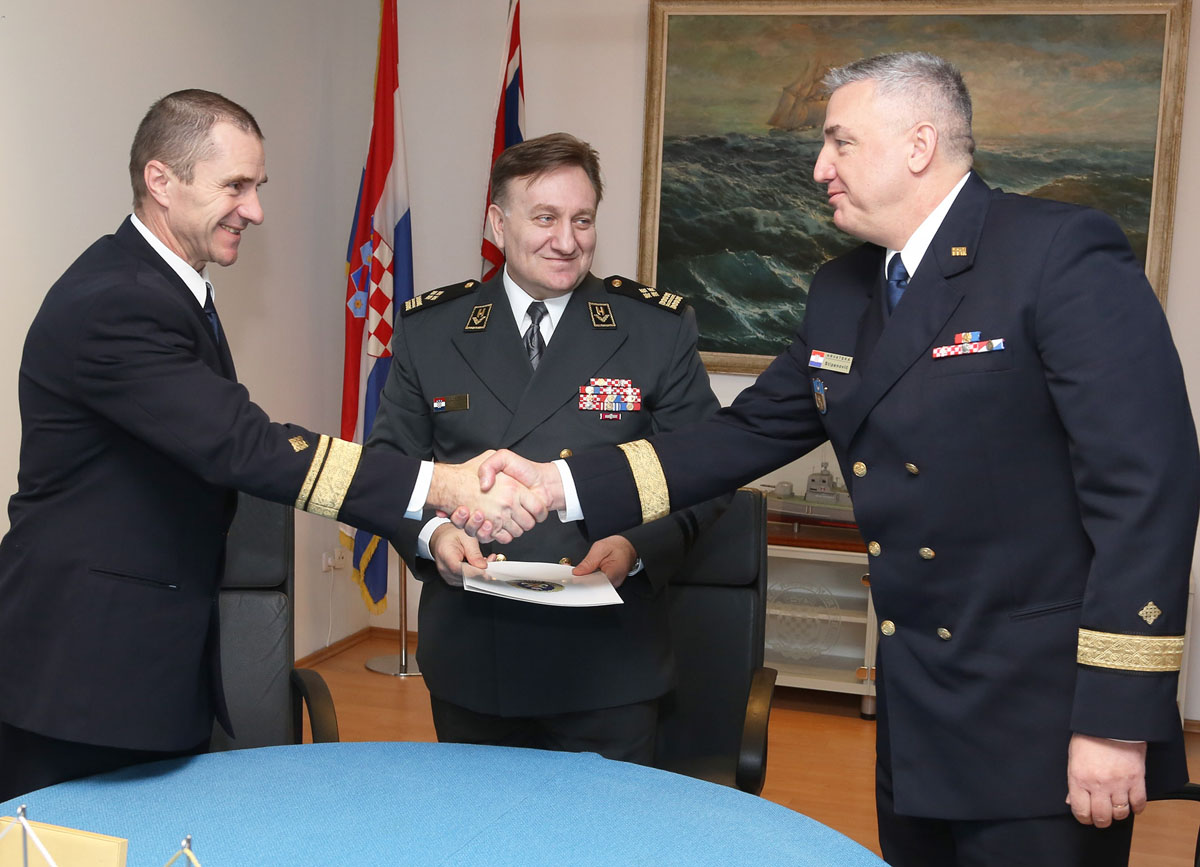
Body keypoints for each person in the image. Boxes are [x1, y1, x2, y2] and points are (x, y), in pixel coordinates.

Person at [479, 54, 1199, 865]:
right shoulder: (842, 289)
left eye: (839, 142)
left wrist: (1115, 719)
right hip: (918, 709)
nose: (819, 167)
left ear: (918, 145)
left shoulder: (1056, 252)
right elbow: (741, 436)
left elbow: (1147, 491)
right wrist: (561, 482)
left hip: (1046, 716)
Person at [0, 89, 547, 802]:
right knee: (73, 841)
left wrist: (427, 521)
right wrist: (442, 485)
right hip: (82, 671)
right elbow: (247, 447)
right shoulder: (119, 301)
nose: (255, 210)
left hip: (137, 654)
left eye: (257, 187)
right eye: (235, 186)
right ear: (161, 180)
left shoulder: (162, 288)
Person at [366, 132, 727, 763]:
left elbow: (704, 472)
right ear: (497, 224)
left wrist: (636, 549)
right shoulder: (432, 330)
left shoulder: (654, 330)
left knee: (604, 826)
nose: (566, 240)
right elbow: (388, 472)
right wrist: (434, 538)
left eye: (582, 220)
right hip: (476, 653)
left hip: (609, 659)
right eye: (544, 218)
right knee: (482, 822)